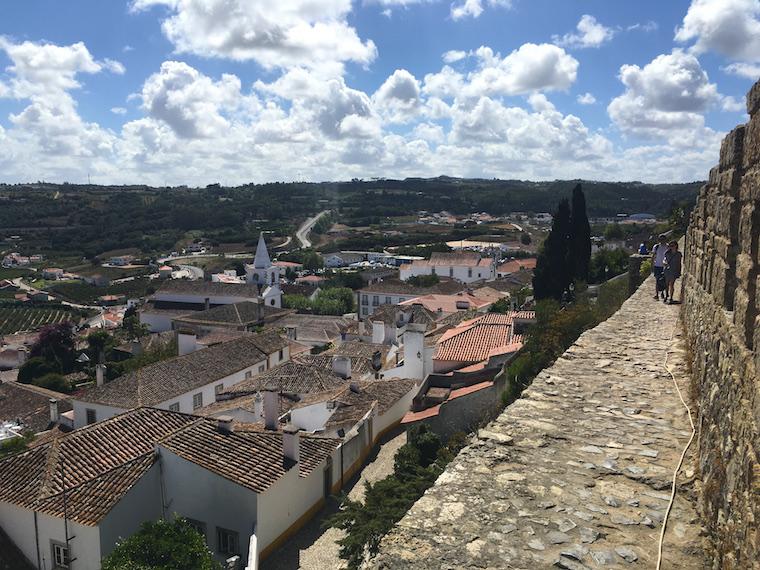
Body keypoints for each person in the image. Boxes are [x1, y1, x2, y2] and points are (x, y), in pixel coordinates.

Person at [651, 234, 668, 300]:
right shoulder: (656, 246)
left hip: (665, 266)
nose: (661, 241)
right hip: (657, 265)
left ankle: (663, 293)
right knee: (657, 280)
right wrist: (652, 265)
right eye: (660, 239)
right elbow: (653, 256)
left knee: (665, 280)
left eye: (663, 239)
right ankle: (657, 294)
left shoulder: (667, 246)